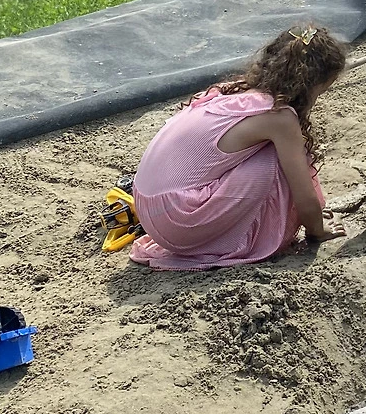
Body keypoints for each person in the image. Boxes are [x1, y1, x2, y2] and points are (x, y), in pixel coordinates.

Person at [129, 25, 347, 270]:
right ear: (309, 85)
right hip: (180, 220)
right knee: (279, 158)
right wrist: (317, 229)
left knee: (274, 151)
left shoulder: (234, 93)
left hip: (148, 209)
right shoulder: (280, 117)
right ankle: (252, 236)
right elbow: (304, 196)